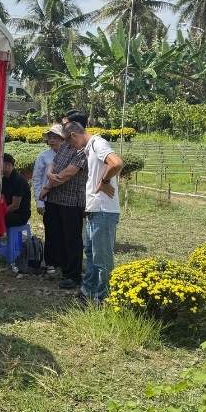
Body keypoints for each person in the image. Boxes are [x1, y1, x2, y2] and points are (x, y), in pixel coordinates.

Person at [64, 121, 123, 303]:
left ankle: (103, 297)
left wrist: (104, 182)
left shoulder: (98, 143)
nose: (72, 147)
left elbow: (117, 163)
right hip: (94, 210)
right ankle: (88, 291)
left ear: (74, 135)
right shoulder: (90, 148)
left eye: (70, 143)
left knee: (101, 258)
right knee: (91, 253)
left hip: (104, 211)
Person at [41, 110, 89, 290]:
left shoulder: (83, 149)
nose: (63, 128)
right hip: (55, 197)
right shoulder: (65, 145)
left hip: (71, 200)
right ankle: (60, 266)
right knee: (56, 233)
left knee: (72, 238)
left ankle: (73, 274)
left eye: (65, 124)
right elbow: (54, 162)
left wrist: (50, 182)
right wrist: (50, 174)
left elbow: (69, 172)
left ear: (76, 127)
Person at [31, 124, 65, 274]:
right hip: (48, 198)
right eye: (50, 137)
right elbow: (37, 179)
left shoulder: (69, 155)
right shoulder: (44, 156)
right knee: (51, 231)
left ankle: (63, 261)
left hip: (65, 199)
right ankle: (50, 262)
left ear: (63, 139)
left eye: (55, 137)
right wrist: (39, 201)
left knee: (65, 231)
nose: (52, 140)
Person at [0, 153, 31, 273]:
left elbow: (15, 205)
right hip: (9, 211)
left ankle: (9, 252)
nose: (3, 168)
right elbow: (2, 199)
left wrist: (0, 214)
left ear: (9, 166)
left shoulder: (18, 180)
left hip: (20, 214)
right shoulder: (3, 179)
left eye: (5, 165)